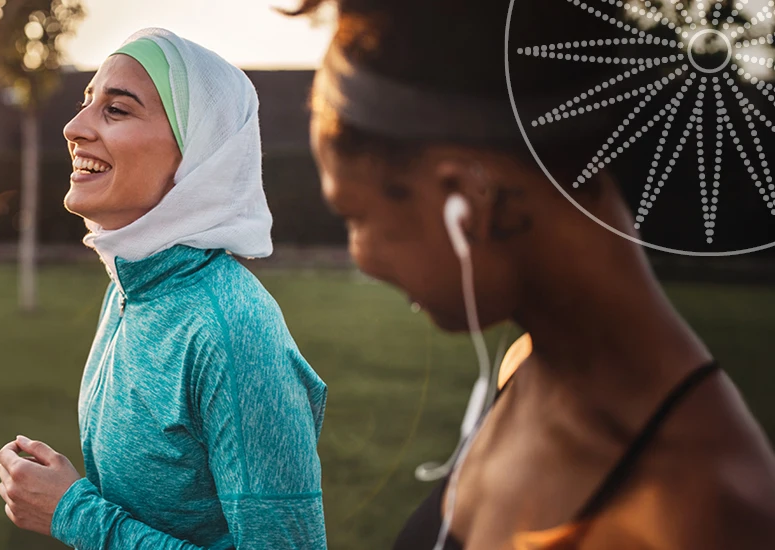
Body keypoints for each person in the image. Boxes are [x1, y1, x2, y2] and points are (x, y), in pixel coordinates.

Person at [285, 0, 775, 548]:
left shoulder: (704, 519)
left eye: (356, 217)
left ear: (466, 197)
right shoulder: (523, 368)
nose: (361, 259)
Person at [0, 28, 330, 549]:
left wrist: (74, 513)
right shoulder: (130, 289)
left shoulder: (232, 329)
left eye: (117, 110)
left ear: (198, 156)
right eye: (87, 102)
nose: (73, 127)